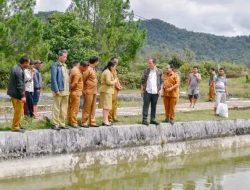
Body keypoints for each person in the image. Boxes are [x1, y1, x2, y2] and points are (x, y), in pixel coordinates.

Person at [7, 56, 30, 132]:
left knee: (19, 111)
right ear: (25, 63)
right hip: (17, 95)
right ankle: (15, 127)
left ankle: (18, 125)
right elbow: (19, 85)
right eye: (28, 63)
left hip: (14, 94)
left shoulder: (16, 67)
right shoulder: (19, 71)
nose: (29, 65)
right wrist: (23, 96)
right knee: (18, 111)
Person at [51, 50, 70, 130]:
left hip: (66, 90)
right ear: (60, 56)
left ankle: (62, 123)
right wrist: (56, 90)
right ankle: (55, 124)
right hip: (59, 90)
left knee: (64, 108)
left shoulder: (65, 65)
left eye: (66, 57)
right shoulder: (55, 66)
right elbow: (54, 79)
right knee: (56, 107)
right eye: (64, 56)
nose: (66, 58)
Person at [141, 58, 163, 126]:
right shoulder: (146, 71)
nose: (149, 64)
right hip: (147, 91)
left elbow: (162, 82)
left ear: (154, 63)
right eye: (148, 63)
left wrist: (161, 90)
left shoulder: (159, 71)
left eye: (150, 63)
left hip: (155, 92)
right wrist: (142, 90)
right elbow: (142, 81)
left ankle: (152, 119)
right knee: (145, 105)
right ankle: (144, 120)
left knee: (154, 106)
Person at [99, 60, 118, 126]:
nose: (115, 68)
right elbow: (108, 82)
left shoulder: (109, 71)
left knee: (108, 107)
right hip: (106, 91)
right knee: (106, 107)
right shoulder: (107, 72)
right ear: (111, 66)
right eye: (115, 66)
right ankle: (105, 121)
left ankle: (106, 120)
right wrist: (114, 81)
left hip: (108, 91)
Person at [82, 56, 99, 128]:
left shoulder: (93, 69)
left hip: (94, 91)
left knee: (93, 107)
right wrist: (84, 90)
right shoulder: (87, 69)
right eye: (97, 61)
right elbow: (83, 79)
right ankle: (84, 122)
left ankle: (92, 121)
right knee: (87, 106)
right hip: (88, 91)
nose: (98, 63)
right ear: (95, 62)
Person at [68, 60, 83, 128]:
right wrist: (70, 88)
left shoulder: (72, 70)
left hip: (73, 92)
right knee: (75, 108)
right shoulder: (77, 71)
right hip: (76, 92)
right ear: (77, 64)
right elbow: (75, 83)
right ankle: (73, 122)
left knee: (71, 108)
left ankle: (70, 121)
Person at [108, 57, 122, 123]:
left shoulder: (115, 70)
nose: (117, 63)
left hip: (116, 89)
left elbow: (116, 79)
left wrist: (119, 85)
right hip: (111, 88)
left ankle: (114, 117)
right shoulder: (110, 70)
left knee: (115, 103)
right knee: (111, 103)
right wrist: (117, 85)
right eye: (115, 61)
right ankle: (109, 118)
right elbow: (112, 80)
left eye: (117, 62)